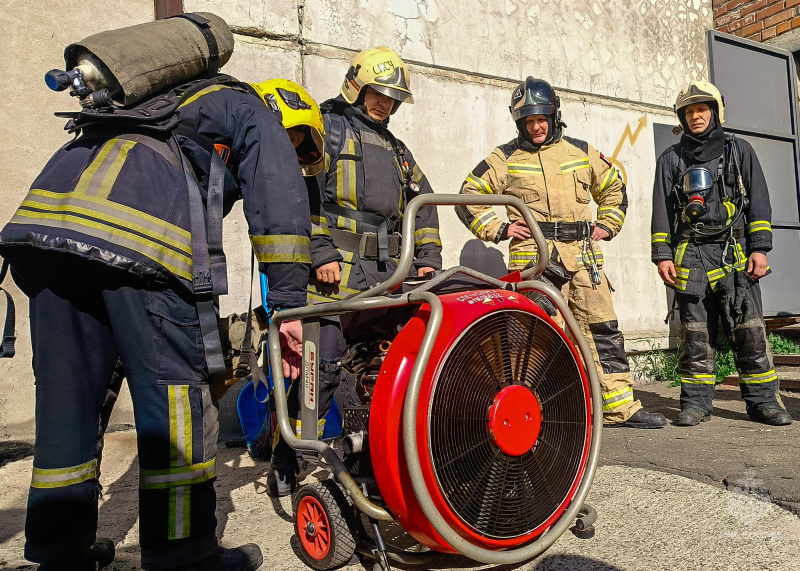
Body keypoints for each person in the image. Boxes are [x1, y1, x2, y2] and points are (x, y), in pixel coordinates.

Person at [0, 76, 313, 570]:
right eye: (296, 144)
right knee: (176, 404)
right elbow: (277, 197)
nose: (294, 154)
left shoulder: (157, 105)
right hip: (138, 239)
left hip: (44, 232)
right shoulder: (253, 110)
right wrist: (290, 304)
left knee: (68, 400)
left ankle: (59, 554)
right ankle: (185, 556)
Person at [267, 46, 443, 496]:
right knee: (318, 366)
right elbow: (300, 192)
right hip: (333, 270)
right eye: (378, 93)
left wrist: (426, 263)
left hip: (386, 272)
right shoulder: (324, 129)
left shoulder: (399, 151)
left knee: (378, 365)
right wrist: (320, 250)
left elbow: (423, 209)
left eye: (392, 98)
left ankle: (366, 451)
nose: (385, 103)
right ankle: (287, 456)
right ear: (357, 86)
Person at [456, 77, 666, 429]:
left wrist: (607, 225)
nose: (535, 127)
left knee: (603, 331)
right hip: (535, 263)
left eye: (541, 119)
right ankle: (545, 413)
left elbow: (614, 189)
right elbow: (468, 195)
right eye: (527, 121)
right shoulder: (505, 157)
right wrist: (500, 229)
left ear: (554, 116)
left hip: (584, 259)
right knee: (535, 337)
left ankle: (618, 408)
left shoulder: (581, 151)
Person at [651, 81, 791, 427]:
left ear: (715, 112)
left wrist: (760, 249)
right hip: (691, 257)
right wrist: (662, 255)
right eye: (689, 111)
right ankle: (696, 404)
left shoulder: (739, 150)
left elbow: (758, 201)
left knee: (749, 331)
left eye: (701, 109)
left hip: (734, 255)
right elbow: (662, 212)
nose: (695, 116)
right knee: (696, 335)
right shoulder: (670, 159)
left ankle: (762, 403)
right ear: (681, 118)